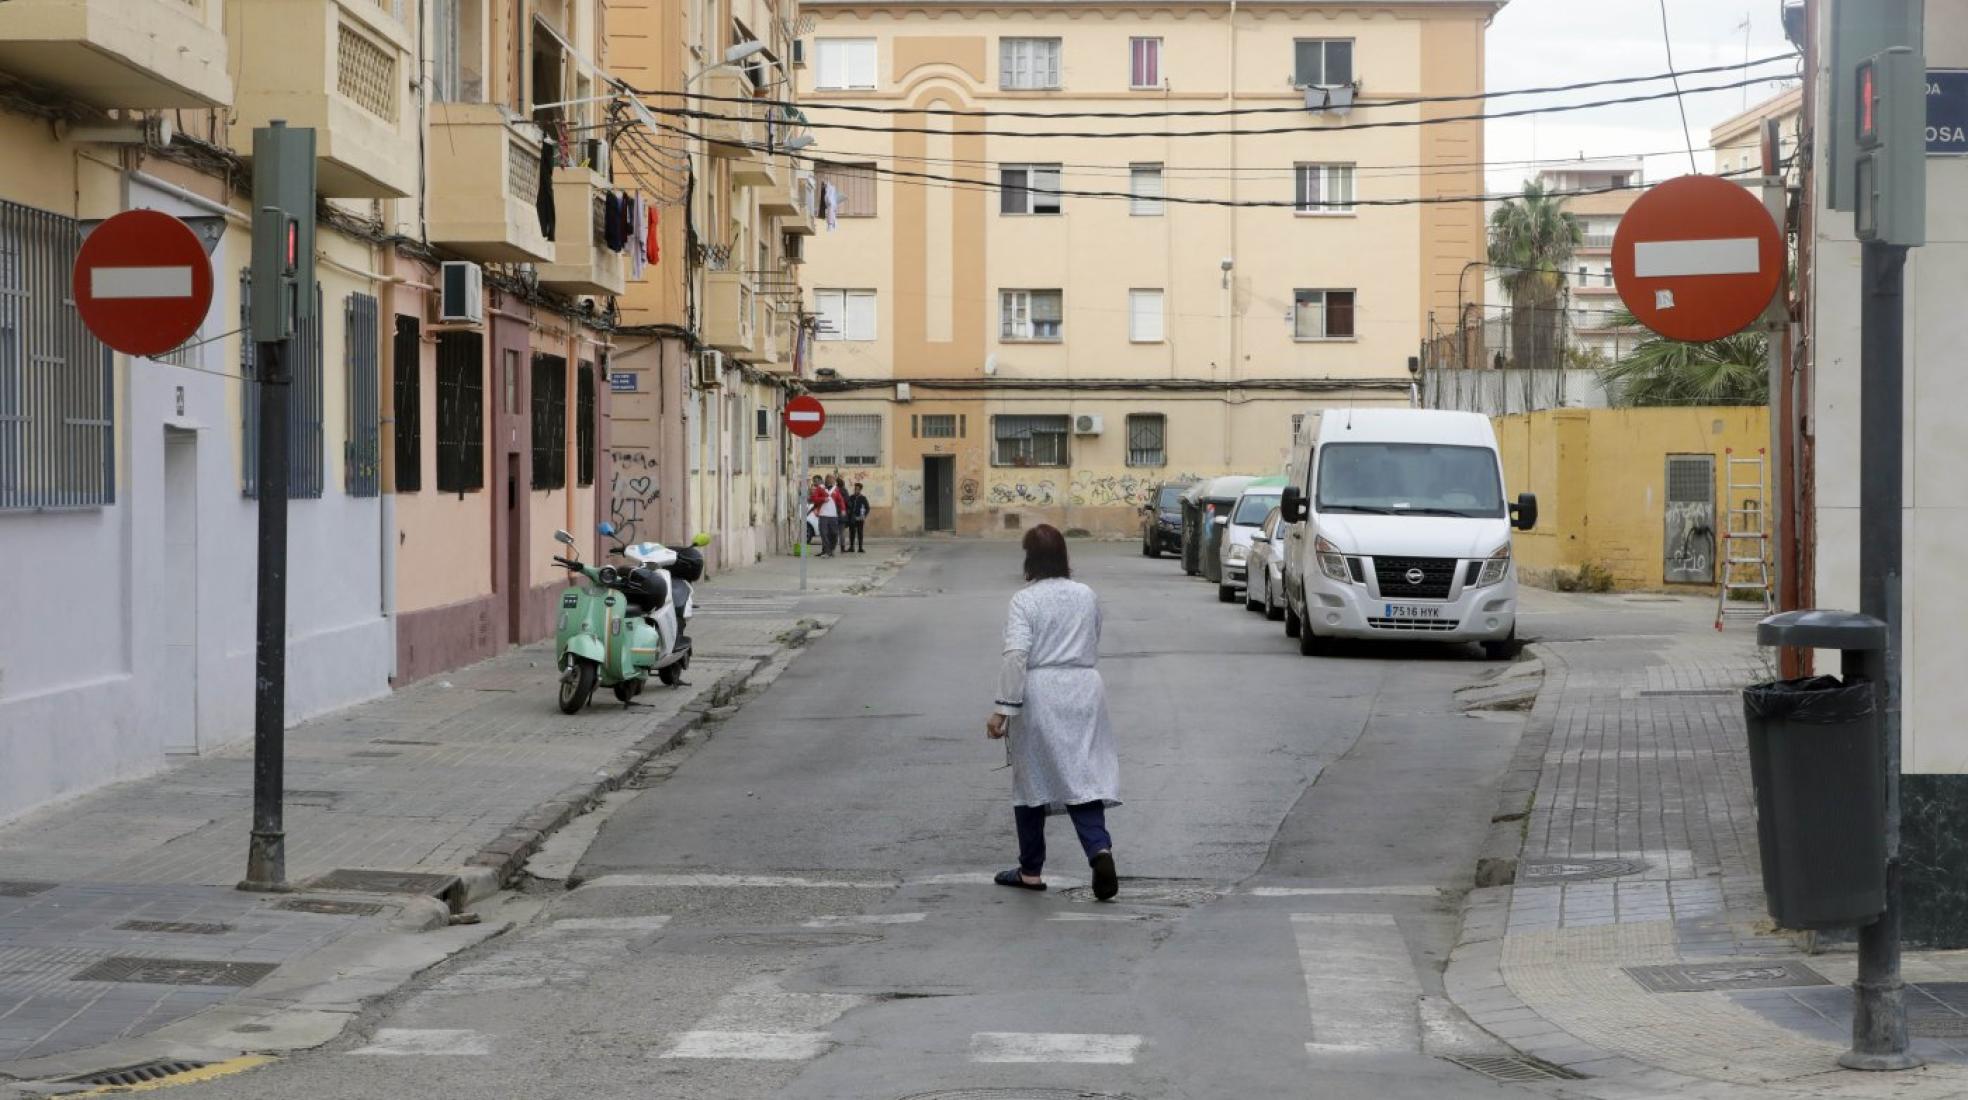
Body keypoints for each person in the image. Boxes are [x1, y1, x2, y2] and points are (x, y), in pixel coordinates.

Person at [987, 525, 1120, 901]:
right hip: (1084, 687)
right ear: (1064, 556)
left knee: (1031, 782)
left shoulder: (1025, 601)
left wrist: (1002, 708)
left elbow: (1016, 656)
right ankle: (1099, 849)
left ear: (1030, 559)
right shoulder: (1086, 595)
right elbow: (1094, 635)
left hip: (1041, 691)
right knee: (1083, 774)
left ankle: (1030, 870)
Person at [816, 474, 842, 557]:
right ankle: (827, 551)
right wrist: (823, 499)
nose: (832, 480)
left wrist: (843, 510)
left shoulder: (836, 489)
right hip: (823, 514)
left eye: (833, 479)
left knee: (834, 533)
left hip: (833, 515)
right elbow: (814, 498)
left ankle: (831, 549)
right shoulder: (820, 488)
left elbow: (840, 500)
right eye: (830, 479)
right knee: (824, 533)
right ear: (826, 480)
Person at [846, 481, 870, 553]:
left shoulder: (863, 498)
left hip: (860, 518)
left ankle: (860, 548)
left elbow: (867, 508)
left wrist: (864, 516)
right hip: (852, 518)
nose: (856, 490)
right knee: (852, 533)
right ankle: (851, 547)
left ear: (860, 490)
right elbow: (848, 506)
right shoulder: (851, 497)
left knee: (860, 533)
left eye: (857, 489)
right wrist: (848, 513)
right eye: (855, 489)